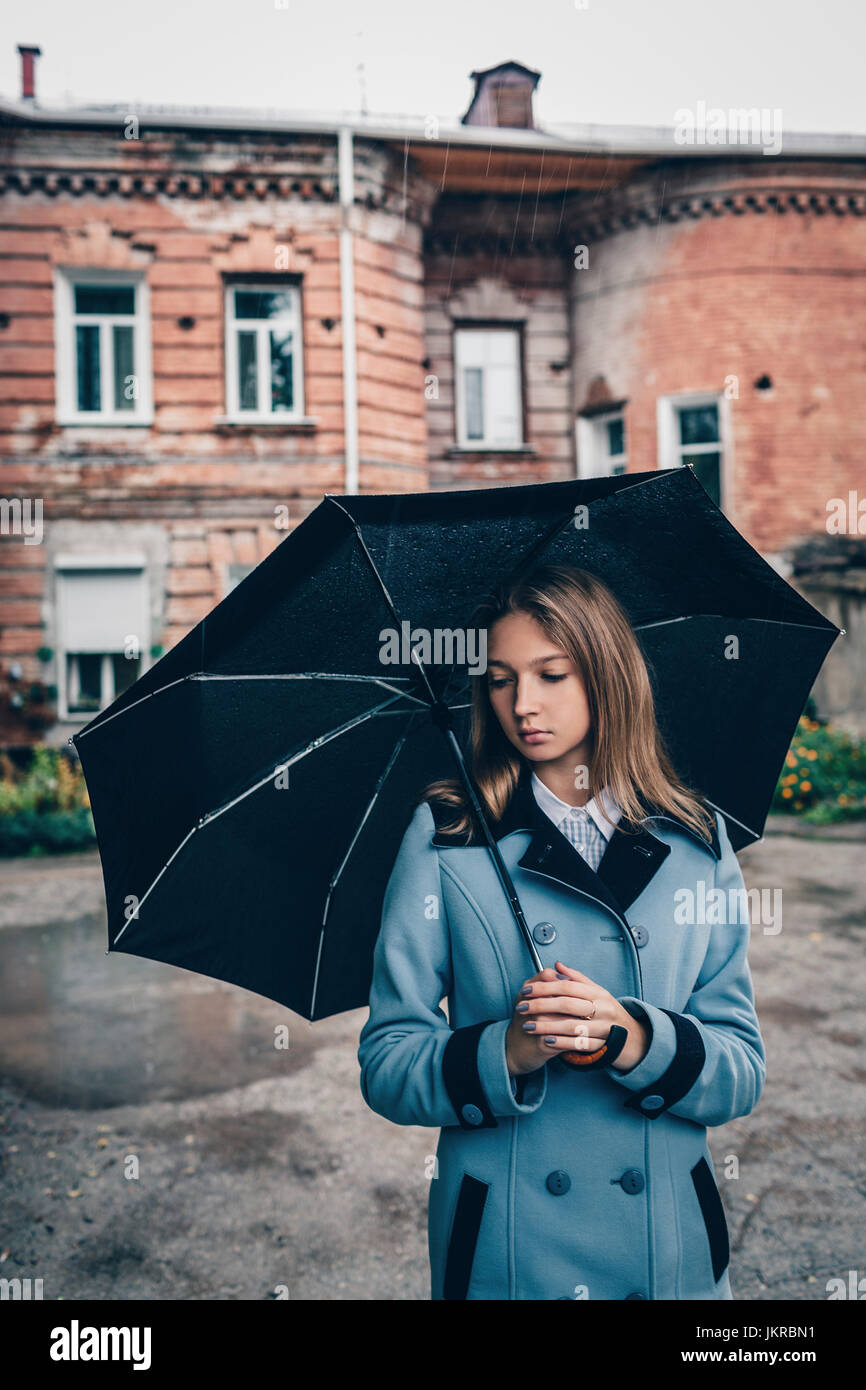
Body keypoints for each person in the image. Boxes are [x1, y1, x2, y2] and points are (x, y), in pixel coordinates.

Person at [357, 562, 766, 1300]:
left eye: (552, 674)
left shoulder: (698, 843)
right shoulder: (448, 836)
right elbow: (388, 1064)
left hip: (663, 1246)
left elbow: (740, 1070)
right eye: (502, 679)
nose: (523, 704)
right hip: (511, 1248)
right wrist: (503, 1052)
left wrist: (635, 1038)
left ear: (607, 677)